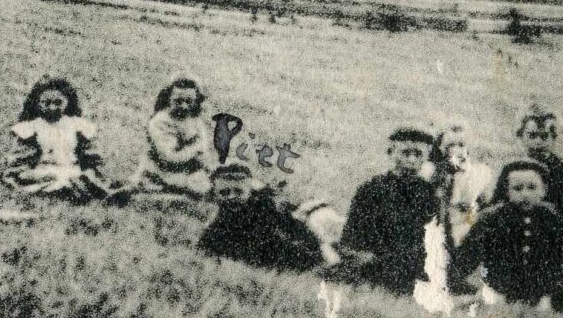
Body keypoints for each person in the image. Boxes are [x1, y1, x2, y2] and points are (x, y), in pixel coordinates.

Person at [336, 126, 451, 303]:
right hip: (376, 259)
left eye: (418, 154)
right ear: (391, 153)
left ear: (425, 158)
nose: (411, 159)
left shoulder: (429, 193)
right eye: (405, 153)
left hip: (413, 262)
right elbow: (352, 236)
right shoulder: (372, 188)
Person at [450, 160, 563, 307]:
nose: (525, 194)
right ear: (507, 191)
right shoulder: (492, 219)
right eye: (517, 188)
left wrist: (557, 291)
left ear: (544, 189)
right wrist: (455, 280)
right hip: (500, 291)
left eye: (532, 187)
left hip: (543, 294)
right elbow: (468, 255)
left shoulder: (554, 219)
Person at [196, 160, 329, 273]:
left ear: (249, 191)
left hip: (275, 252)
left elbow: (294, 228)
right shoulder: (217, 226)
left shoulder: (264, 205)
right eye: (224, 193)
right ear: (215, 195)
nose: (231, 197)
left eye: (238, 191)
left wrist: (319, 249)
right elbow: (206, 246)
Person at [8, 76, 106, 201]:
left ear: (68, 101)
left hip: (73, 172)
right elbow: (19, 164)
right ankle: (66, 189)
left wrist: (90, 171)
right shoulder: (31, 128)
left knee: (83, 179)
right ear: (37, 102)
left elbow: (92, 159)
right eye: (46, 103)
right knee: (53, 181)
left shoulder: (77, 125)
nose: (52, 107)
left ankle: (89, 190)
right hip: (44, 174)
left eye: (58, 102)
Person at [137, 78, 213, 200]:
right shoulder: (160, 121)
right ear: (169, 99)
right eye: (178, 101)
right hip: (161, 173)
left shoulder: (195, 121)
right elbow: (169, 157)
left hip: (189, 172)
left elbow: (204, 153)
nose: (184, 106)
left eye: (189, 101)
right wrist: (195, 149)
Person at [513, 103, 563, 222]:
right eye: (532, 136)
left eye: (544, 136)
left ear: (553, 138)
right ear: (521, 136)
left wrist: (551, 210)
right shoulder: (513, 168)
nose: (538, 141)